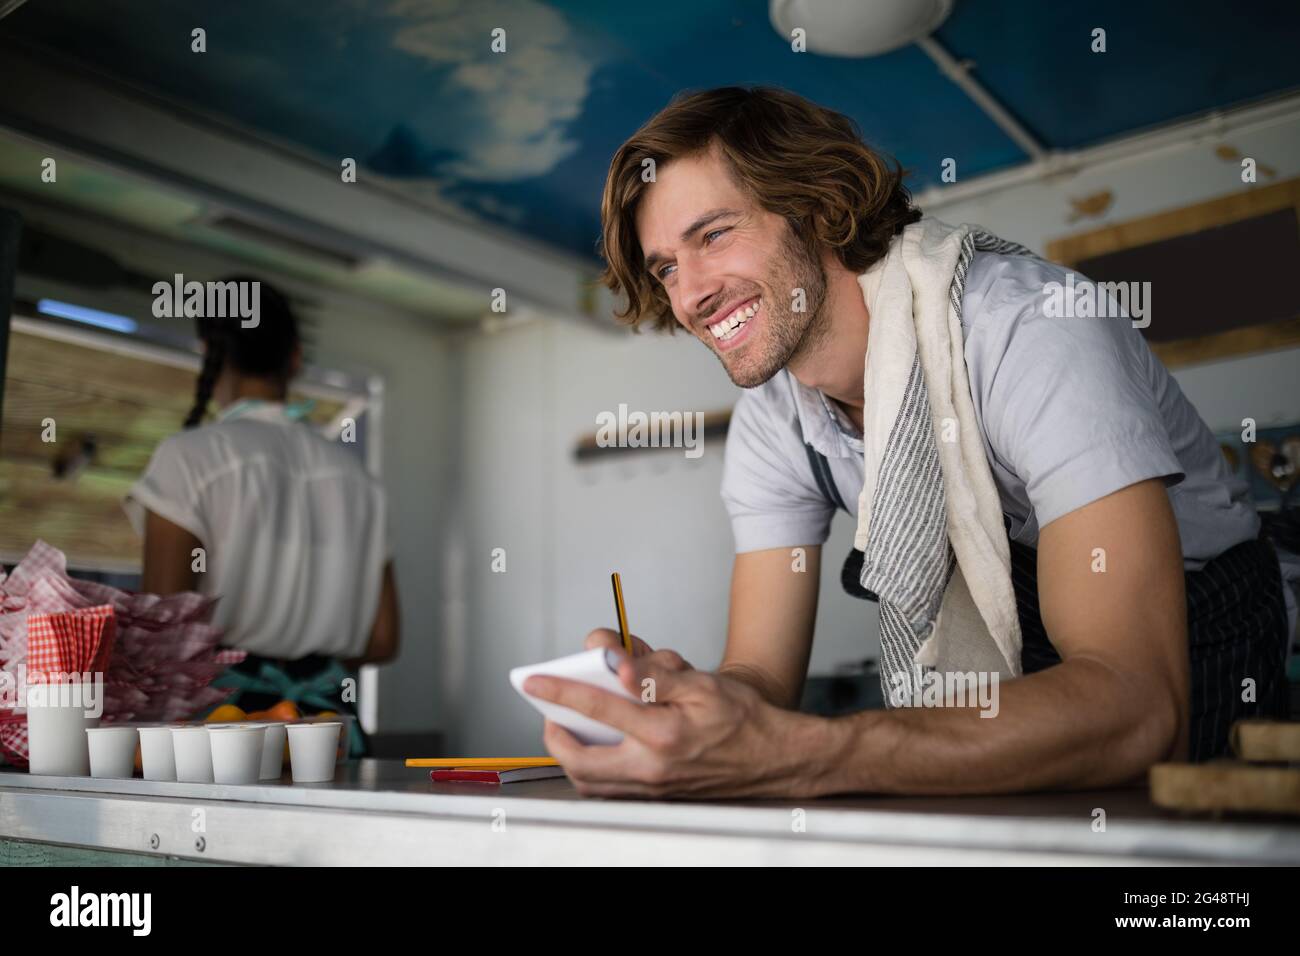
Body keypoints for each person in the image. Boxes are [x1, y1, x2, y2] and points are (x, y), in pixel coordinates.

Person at [523, 86, 1289, 798]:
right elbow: (760, 673)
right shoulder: (775, 416)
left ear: (818, 208)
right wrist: (694, 707)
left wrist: (802, 751)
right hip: (1035, 668)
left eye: (714, 235)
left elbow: (1133, 702)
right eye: (666, 267)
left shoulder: (1031, 328)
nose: (688, 294)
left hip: (1193, 632)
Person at [124, 278, 398, 754]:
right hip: (328, 735)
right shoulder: (360, 482)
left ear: (208, 351)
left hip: (227, 739)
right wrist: (306, 646)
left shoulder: (189, 458)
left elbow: (165, 626)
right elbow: (382, 641)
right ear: (293, 357)